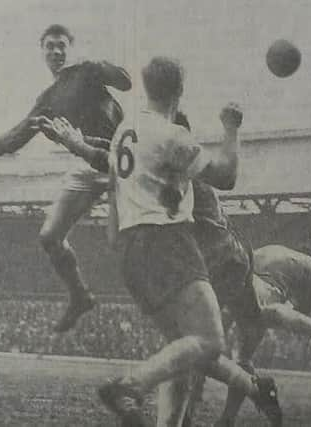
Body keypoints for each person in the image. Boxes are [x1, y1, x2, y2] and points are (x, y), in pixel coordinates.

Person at [42, 56, 282, 427]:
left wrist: (76, 146)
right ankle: (131, 386)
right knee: (208, 343)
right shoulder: (175, 139)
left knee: (184, 349)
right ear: (179, 92)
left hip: (132, 252)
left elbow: (110, 167)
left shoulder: (128, 130)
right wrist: (231, 129)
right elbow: (227, 175)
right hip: (174, 247)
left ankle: (252, 387)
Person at [0, 24, 132, 332]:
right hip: (85, 166)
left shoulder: (89, 71)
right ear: (43, 52)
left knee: (130, 244)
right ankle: (80, 295)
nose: (56, 52)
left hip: (119, 164)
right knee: (49, 237)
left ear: (71, 48)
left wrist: (94, 63)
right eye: (50, 47)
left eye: (61, 45)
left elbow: (125, 81)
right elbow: (9, 142)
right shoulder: (47, 99)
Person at [210, 244, 311, 427]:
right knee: (248, 340)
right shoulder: (269, 261)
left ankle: (230, 415)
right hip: (267, 277)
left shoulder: (281, 267)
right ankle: (229, 417)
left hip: (266, 279)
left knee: (259, 319)